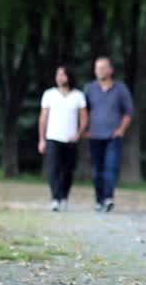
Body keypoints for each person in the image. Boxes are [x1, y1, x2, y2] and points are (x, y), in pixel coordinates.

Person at [84, 57, 134, 212]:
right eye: (97, 68)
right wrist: (84, 129)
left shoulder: (120, 89)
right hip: (95, 136)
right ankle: (99, 200)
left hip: (113, 136)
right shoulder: (90, 89)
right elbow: (83, 111)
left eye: (103, 67)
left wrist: (121, 130)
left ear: (110, 70)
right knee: (97, 170)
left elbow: (129, 112)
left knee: (111, 167)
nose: (99, 70)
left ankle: (108, 198)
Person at [38, 65, 88, 211]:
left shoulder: (78, 96)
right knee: (53, 169)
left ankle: (64, 197)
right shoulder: (49, 94)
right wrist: (41, 139)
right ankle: (55, 198)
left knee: (68, 170)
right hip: (53, 137)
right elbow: (43, 118)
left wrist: (78, 134)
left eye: (63, 75)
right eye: (58, 75)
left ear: (69, 77)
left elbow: (84, 117)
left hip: (70, 139)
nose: (60, 78)